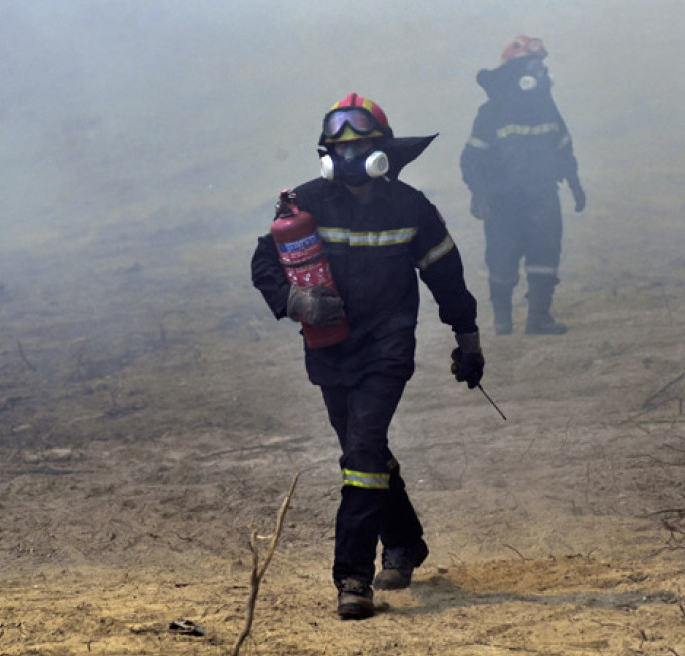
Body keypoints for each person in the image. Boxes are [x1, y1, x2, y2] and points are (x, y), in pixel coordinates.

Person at [251, 93, 485, 620]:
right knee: (366, 449)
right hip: (329, 348)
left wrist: (467, 336)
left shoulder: (411, 207)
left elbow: (447, 276)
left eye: (361, 146)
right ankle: (405, 542)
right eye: (340, 148)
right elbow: (264, 266)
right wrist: (295, 302)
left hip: (387, 346)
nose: (350, 155)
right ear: (327, 154)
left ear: (383, 152)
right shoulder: (304, 204)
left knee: (361, 453)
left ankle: (353, 579)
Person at [460, 35, 586, 336]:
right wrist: (479, 192)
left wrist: (574, 183)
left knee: (545, 255)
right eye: (532, 65)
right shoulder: (492, 112)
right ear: (514, 71)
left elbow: (563, 146)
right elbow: (471, 159)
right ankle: (502, 321)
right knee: (502, 258)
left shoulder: (546, 106)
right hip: (502, 201)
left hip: (543, 197)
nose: (539, 71)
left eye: (540, 65)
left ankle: (538, 318)